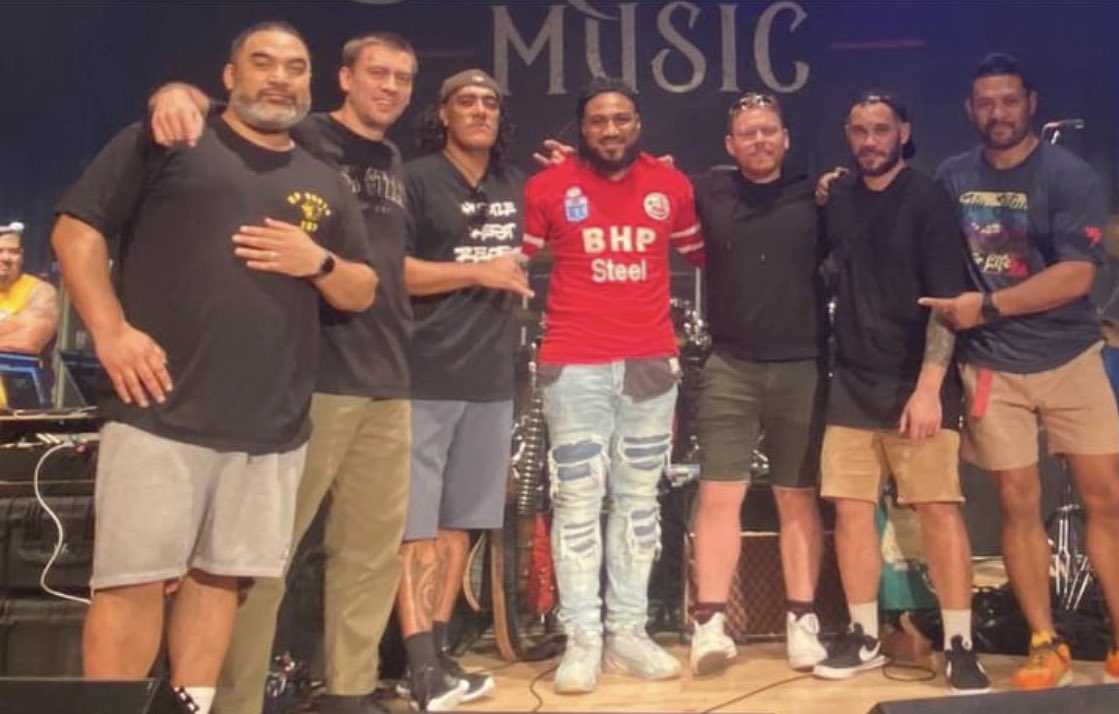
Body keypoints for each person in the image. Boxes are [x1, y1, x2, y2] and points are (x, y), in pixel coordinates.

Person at [50, 22, 376, 714]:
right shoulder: (172, 139)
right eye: (263, 63)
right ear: (229, 76)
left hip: (271, 426)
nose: (280, 78)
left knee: (219, 581)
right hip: (161, 410)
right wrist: (110, 332)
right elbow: (75, 229)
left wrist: (315, 261)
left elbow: (361, 289)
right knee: (132, 584)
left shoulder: (324, 181)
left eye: (295, 67)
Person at [146, 32, 449, 713]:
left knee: (369, 559)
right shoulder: (302, 132)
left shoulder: (394, 158)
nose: (391, 87)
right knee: (258, 561)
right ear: (343, 76)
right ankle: (235, 700)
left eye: (404, 77)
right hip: (311, 376)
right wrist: (173, 93)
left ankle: (349, 694)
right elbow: (208, 110)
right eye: (378, 73)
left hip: (387, 380)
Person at [923, 52, 1119, 688]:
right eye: (985, 102)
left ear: (1031, 104)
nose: (997, 113)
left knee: (1108, 498)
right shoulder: (952, 176)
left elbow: (1076, 276)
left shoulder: (1068, 173)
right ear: (969, 109)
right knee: (1016, 502)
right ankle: (1043, 641)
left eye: (1008, 100)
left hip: (1068, 357)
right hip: (992, 367)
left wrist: (990, 305)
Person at [522, 76, 705, 694]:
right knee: (576, 500)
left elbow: (707, 254)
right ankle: (583, 637)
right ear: (582, 127)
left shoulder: (671, 186)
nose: (610, 130)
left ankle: (627, 631)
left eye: (621, 119)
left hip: (651, 361)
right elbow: (508, 261)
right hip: (574, 363)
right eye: (598, 120)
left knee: (638, 502)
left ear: (638, 123)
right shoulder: (547, 187)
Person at [810, 91, 989, 695]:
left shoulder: (930, 198)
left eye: (881, 129)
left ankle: (961, 643)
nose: (869, 141)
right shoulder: (839, 198)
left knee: (938, 510)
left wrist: (929, 390)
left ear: (903, 132)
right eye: (859, 130)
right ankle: (863, 635)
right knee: (852, 511)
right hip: (852, 383)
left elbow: (946, 305)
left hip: (917, 384)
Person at [395, 67, 530, 708]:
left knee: (459, 524)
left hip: (491, 376)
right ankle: (419, 664)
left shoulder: (513, 184)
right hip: (424, 371)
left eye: (490, 103)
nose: (480, 111)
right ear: (442, 114)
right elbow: (393, 272)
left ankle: (440, 652)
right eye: (467, 102)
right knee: (416, 526)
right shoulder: (415, 178)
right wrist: (480, 270)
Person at [686, 92, 827, 675]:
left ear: (786, 137)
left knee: (798, 496)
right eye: (748, 133)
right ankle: (709, 625)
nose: (760, 141)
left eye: (769, 131)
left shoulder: (819, 196)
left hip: (802, 365)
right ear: (730, 144)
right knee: (721, 495)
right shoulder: (708, 191)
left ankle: (802, 619)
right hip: (730, 366)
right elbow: (636, 185)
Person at [0, 221, 58, 356]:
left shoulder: (40, 291)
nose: (6, 258)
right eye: (0, 251)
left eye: (14, 252)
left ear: (22, 256)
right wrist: (17, 324)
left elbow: (28, 341)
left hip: (14, 376)